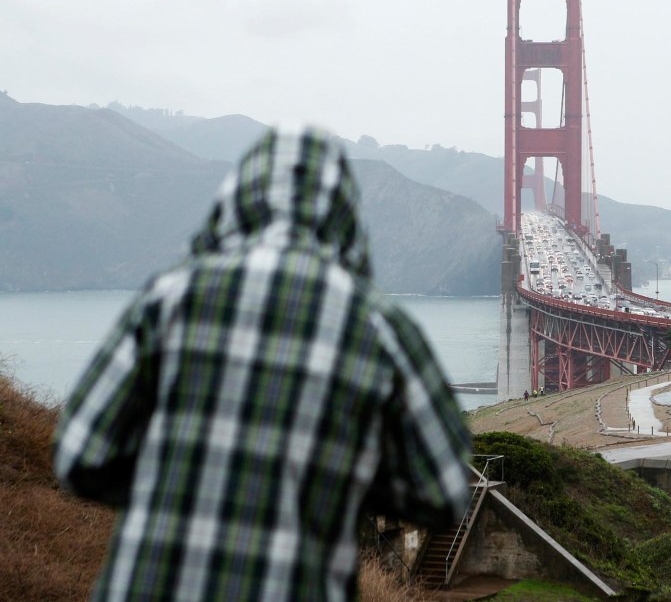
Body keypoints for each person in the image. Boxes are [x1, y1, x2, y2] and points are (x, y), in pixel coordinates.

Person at [54, 127, 473, 601]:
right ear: (342, 218)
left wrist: (176, 487)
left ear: (235, 203)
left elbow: (79, 457)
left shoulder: (168, 297)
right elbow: (444, 491)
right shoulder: (380, 327)